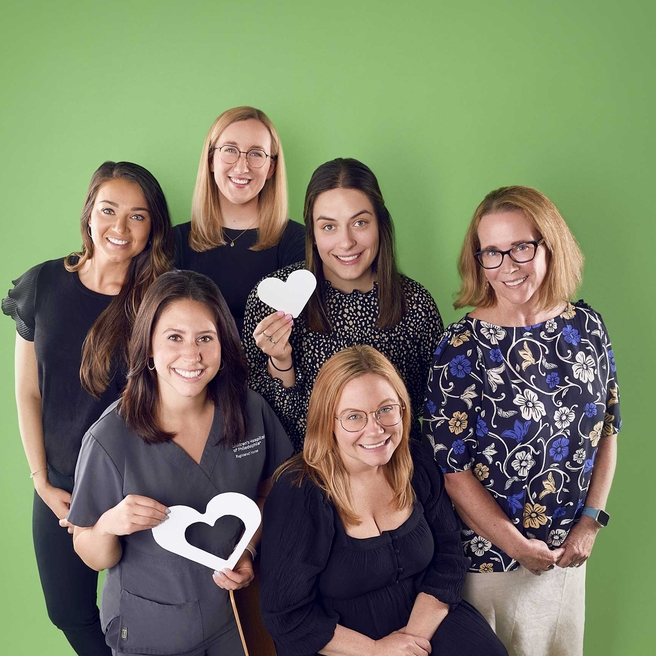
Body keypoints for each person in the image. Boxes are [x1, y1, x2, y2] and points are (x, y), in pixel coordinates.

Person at [422, 186, 621, 656]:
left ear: (549, 245)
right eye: (492, 252)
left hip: (569, 558)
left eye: (521, 247)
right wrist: (516, 546)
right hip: (492, 565)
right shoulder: (460, 347)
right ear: (478, 261)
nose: (507, 266)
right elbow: (453, 473)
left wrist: (590, 521)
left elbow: (608, 430)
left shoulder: (587, 327)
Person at [67, 270, 293, 656]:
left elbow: (274, 487)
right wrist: (110, 524)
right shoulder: (109, 438)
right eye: (175, 338)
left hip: (235, 622)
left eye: (205, 338)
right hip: (151, 626)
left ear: (223, 345)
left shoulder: (249, 410)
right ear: (149, 348)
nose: (192, 355)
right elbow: (91, 552)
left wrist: (249, 551)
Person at [2, 161, 173, 655]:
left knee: (151, 613)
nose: (119, 228)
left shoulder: (161, 299)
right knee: (68, 613)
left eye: (137, 216)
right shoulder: (42, 285)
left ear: (153, 227)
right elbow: (28, 392)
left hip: (138, 487)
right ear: (89, 213)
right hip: (58, 483)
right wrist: (42, 480)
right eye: (109, 210)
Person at [260, 345, 508, 656]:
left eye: (386, 409)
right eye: (354, 416)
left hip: (425, 618)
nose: (375, 429)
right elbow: (285, 615)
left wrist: (412, 640)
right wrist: (378, 650)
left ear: (403, 407)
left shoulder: (416, 460)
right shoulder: (300, 490)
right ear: (328, 422)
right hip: (344, 642)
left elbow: (448, 558)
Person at [243, 158, 443, 452]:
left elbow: (432, 414)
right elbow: (266, 427)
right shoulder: (273, 299)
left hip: (393, 477)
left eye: (360, 223)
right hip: (306, 478)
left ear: (381, 224)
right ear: (312, 231)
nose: (346, 242)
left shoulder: (416, 304)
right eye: (329, 227)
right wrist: (280, 362)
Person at [174, 106, 305, 335]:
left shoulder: (298, 242)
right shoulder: (175, 242)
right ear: (211, 160)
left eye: (256, 153)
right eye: (230, 150)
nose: (242, 167)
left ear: (271, 167)